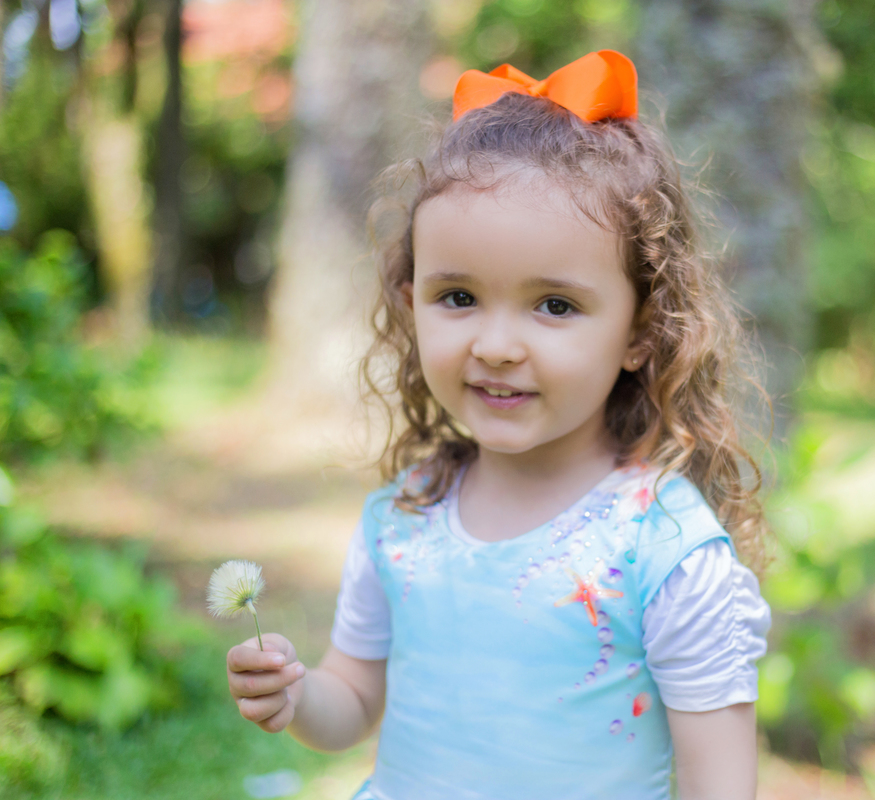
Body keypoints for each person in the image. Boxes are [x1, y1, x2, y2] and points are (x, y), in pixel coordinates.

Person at [225, 50, 773, 800]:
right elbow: (351, 704)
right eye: (458, 297)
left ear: (642, 331)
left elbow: (720, 786)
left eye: (554, 305)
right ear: (410, 298)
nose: (496, 346)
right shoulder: (404, 516)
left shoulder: (664, 551)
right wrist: (294, 697)